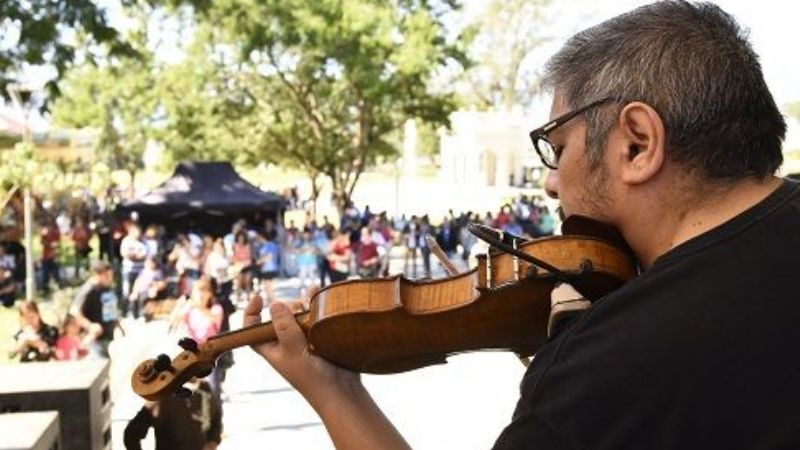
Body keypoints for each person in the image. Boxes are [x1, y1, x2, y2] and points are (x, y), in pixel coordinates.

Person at [242, 2, 800, 449]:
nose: (552, 183)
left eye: (557, 148)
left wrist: (334, 390)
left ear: (637, 144)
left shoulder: (602, 373)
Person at [124, 378, 222, 450]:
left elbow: (216, 423)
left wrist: (211, 444)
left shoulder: (205, 389)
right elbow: (131, 435)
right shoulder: (164, 395)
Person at [73, 260, 123, 359]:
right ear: (97, 275)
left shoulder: (107, 288)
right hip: (95, 341)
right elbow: (74, 311)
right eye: (107, 276)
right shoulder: (89, 290)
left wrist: (119, 326)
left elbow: (110, 310)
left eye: (111, 275)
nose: (110, 279)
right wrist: (90, 325)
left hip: (109, 338)